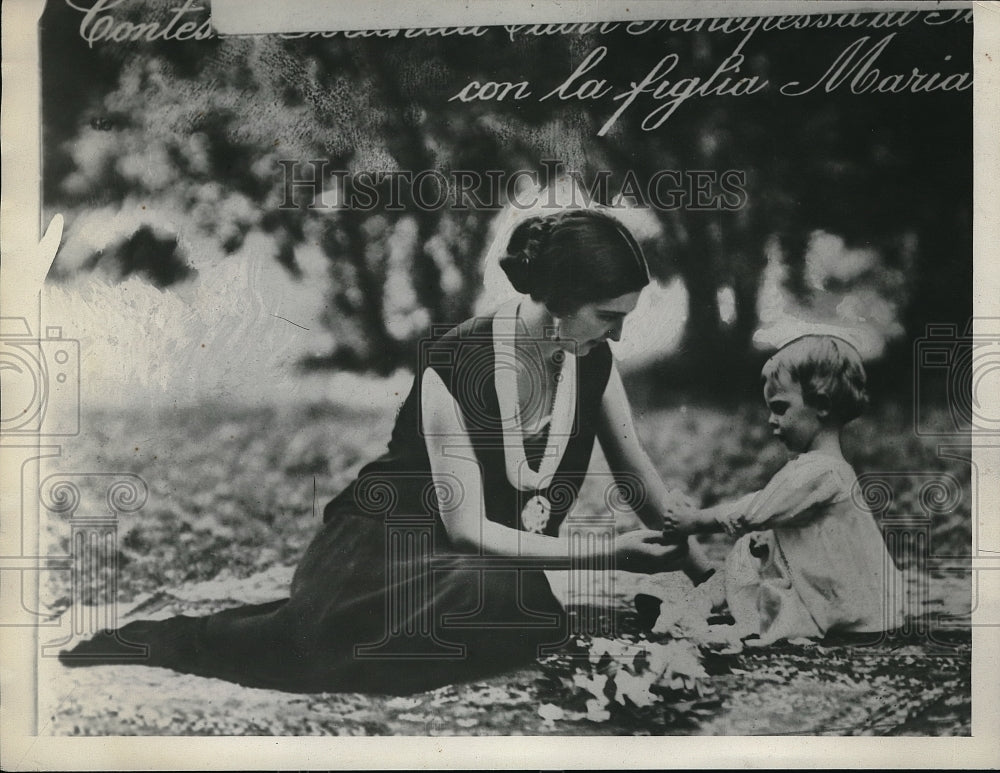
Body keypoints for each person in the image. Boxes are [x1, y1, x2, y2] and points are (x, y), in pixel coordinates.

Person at [60, 207, 713, 694]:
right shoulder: (458, 361)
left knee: (521, 603)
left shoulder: (589, 359)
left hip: (480, 565)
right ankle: (222, 635)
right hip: (386, 547)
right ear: (560, 301)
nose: (620, 333)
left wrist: (697, 558)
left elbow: (634, 470)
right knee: (487, 598)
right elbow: (468, 528)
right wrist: (612, 554)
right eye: (608, 314)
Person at [661, 335, 905, 646]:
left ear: (822, 405)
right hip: (857, 606)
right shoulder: (825, 469)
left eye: (780, 408)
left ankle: (714, 610)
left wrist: (695, 520)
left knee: (752, 548)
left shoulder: (820, 471)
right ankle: (705, 599)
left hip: (850, 611)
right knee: (760, 546)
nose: (772, 421)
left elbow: (756, 512)